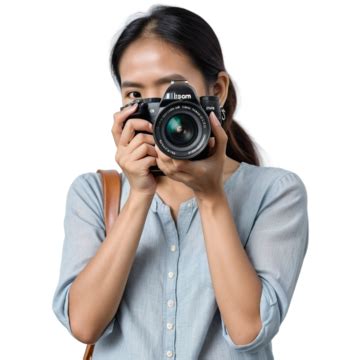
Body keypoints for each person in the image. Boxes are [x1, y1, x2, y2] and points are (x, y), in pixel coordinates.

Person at [52, 5, 309, 359]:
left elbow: (249, 330)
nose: (159, 110)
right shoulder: (94, 194)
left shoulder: (275, 193)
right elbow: (84, 325)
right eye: (135, 96)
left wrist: (211, 197)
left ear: (216, 91)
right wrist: (140, 193)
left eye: (174, 89)